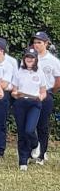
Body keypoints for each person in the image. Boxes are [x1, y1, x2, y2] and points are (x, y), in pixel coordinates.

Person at [11, 48, 46, 171]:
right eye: (27, 57)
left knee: (29, 130)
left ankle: (36, 145)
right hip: (20, 103)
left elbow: (43, 92)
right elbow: (14, 91)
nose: (29, 59)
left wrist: (40, 97)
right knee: (22, 133)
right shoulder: (19, 72)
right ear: (24, 58)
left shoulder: (40, 73)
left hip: (34, 104)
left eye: (32, 57)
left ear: (36, 59)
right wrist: (16, 94)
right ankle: (23, 161)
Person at [31, 31, 60, 165]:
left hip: (46, 94)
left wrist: (50, 92)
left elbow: (57, 80)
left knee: (42, 125)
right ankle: (34, 146)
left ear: (46, 43)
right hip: (31, 93)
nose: (36, 45)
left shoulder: (53, 61)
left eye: (39, 42)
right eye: (35, 42)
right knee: (30, 124)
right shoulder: (30, 57)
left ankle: (42, 154)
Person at [0, 40, 15, 158]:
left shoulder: (9, 64)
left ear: (1, 50)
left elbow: (6, 84)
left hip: (4, 95)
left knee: (0, 123)